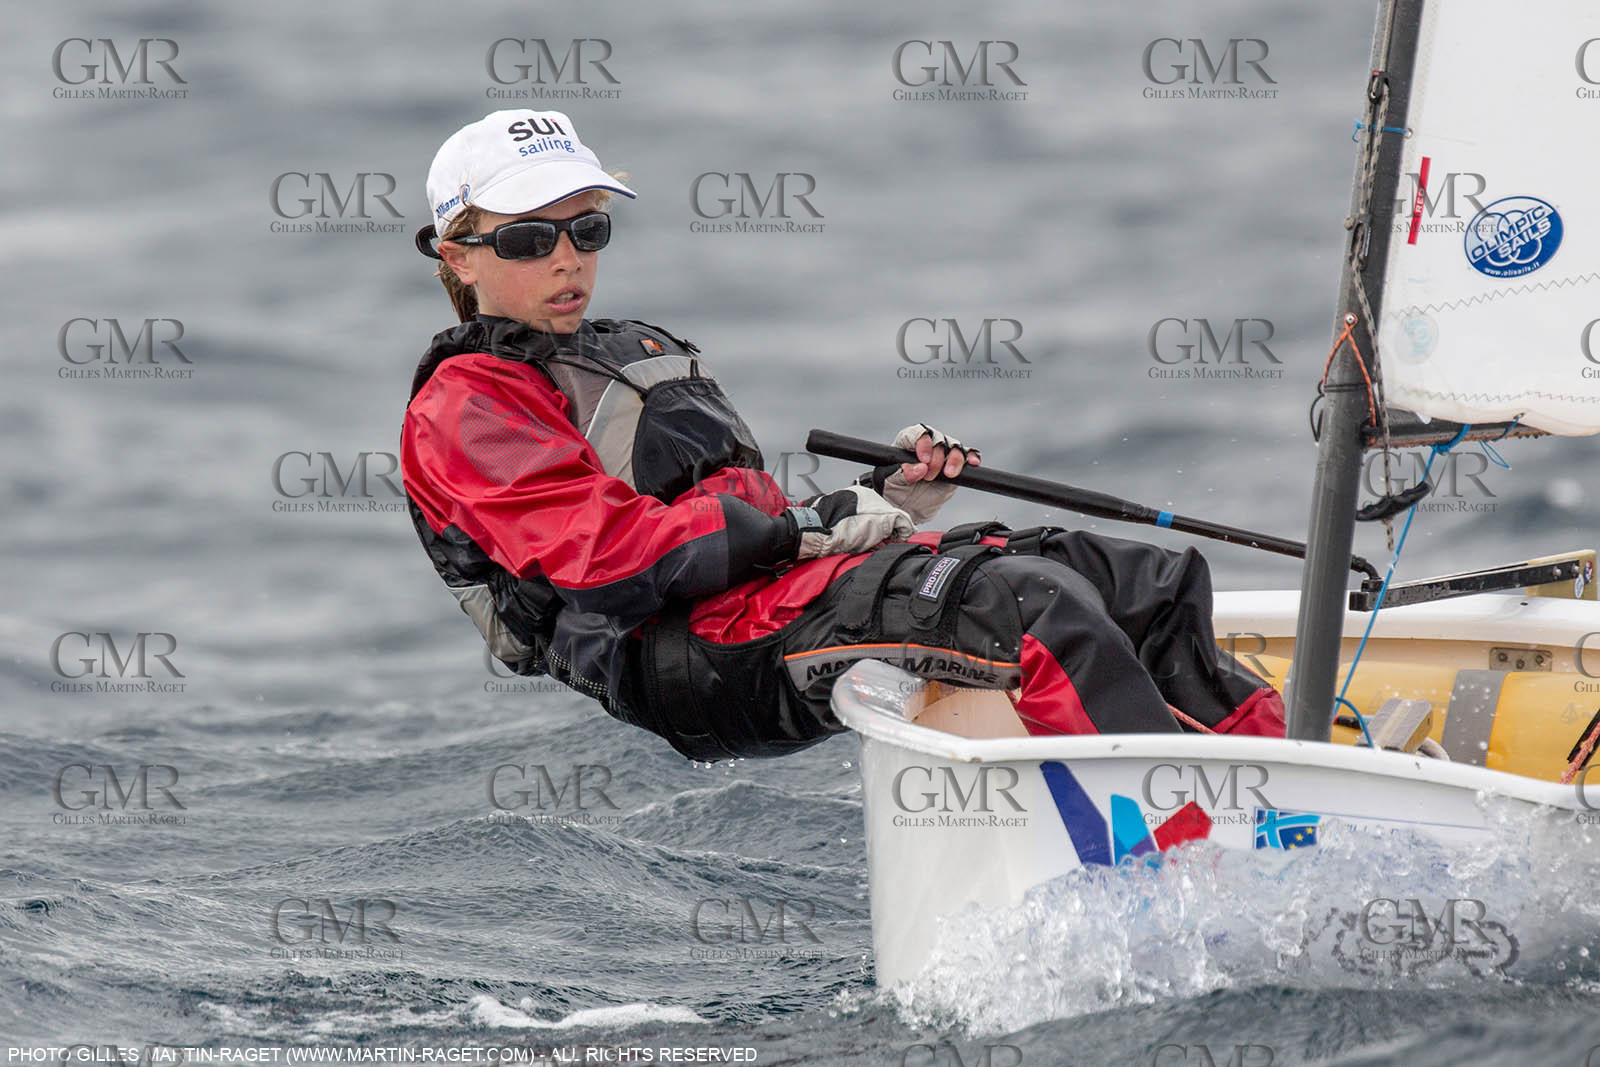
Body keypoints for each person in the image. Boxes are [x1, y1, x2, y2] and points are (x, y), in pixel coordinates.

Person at [401, 109, 1286, 762]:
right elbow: (614, 559)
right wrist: (810, 527)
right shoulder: (467, 403)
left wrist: (882, 500)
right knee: (1031, 609)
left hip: (765, 595)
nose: (567, 258)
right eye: (529, 238)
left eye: (587, 228)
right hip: (686, 654)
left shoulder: (616, 349)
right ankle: (1182, 862)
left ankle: (1294, 797)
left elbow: (728, 517)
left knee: (1138, 580)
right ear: (458, 254)